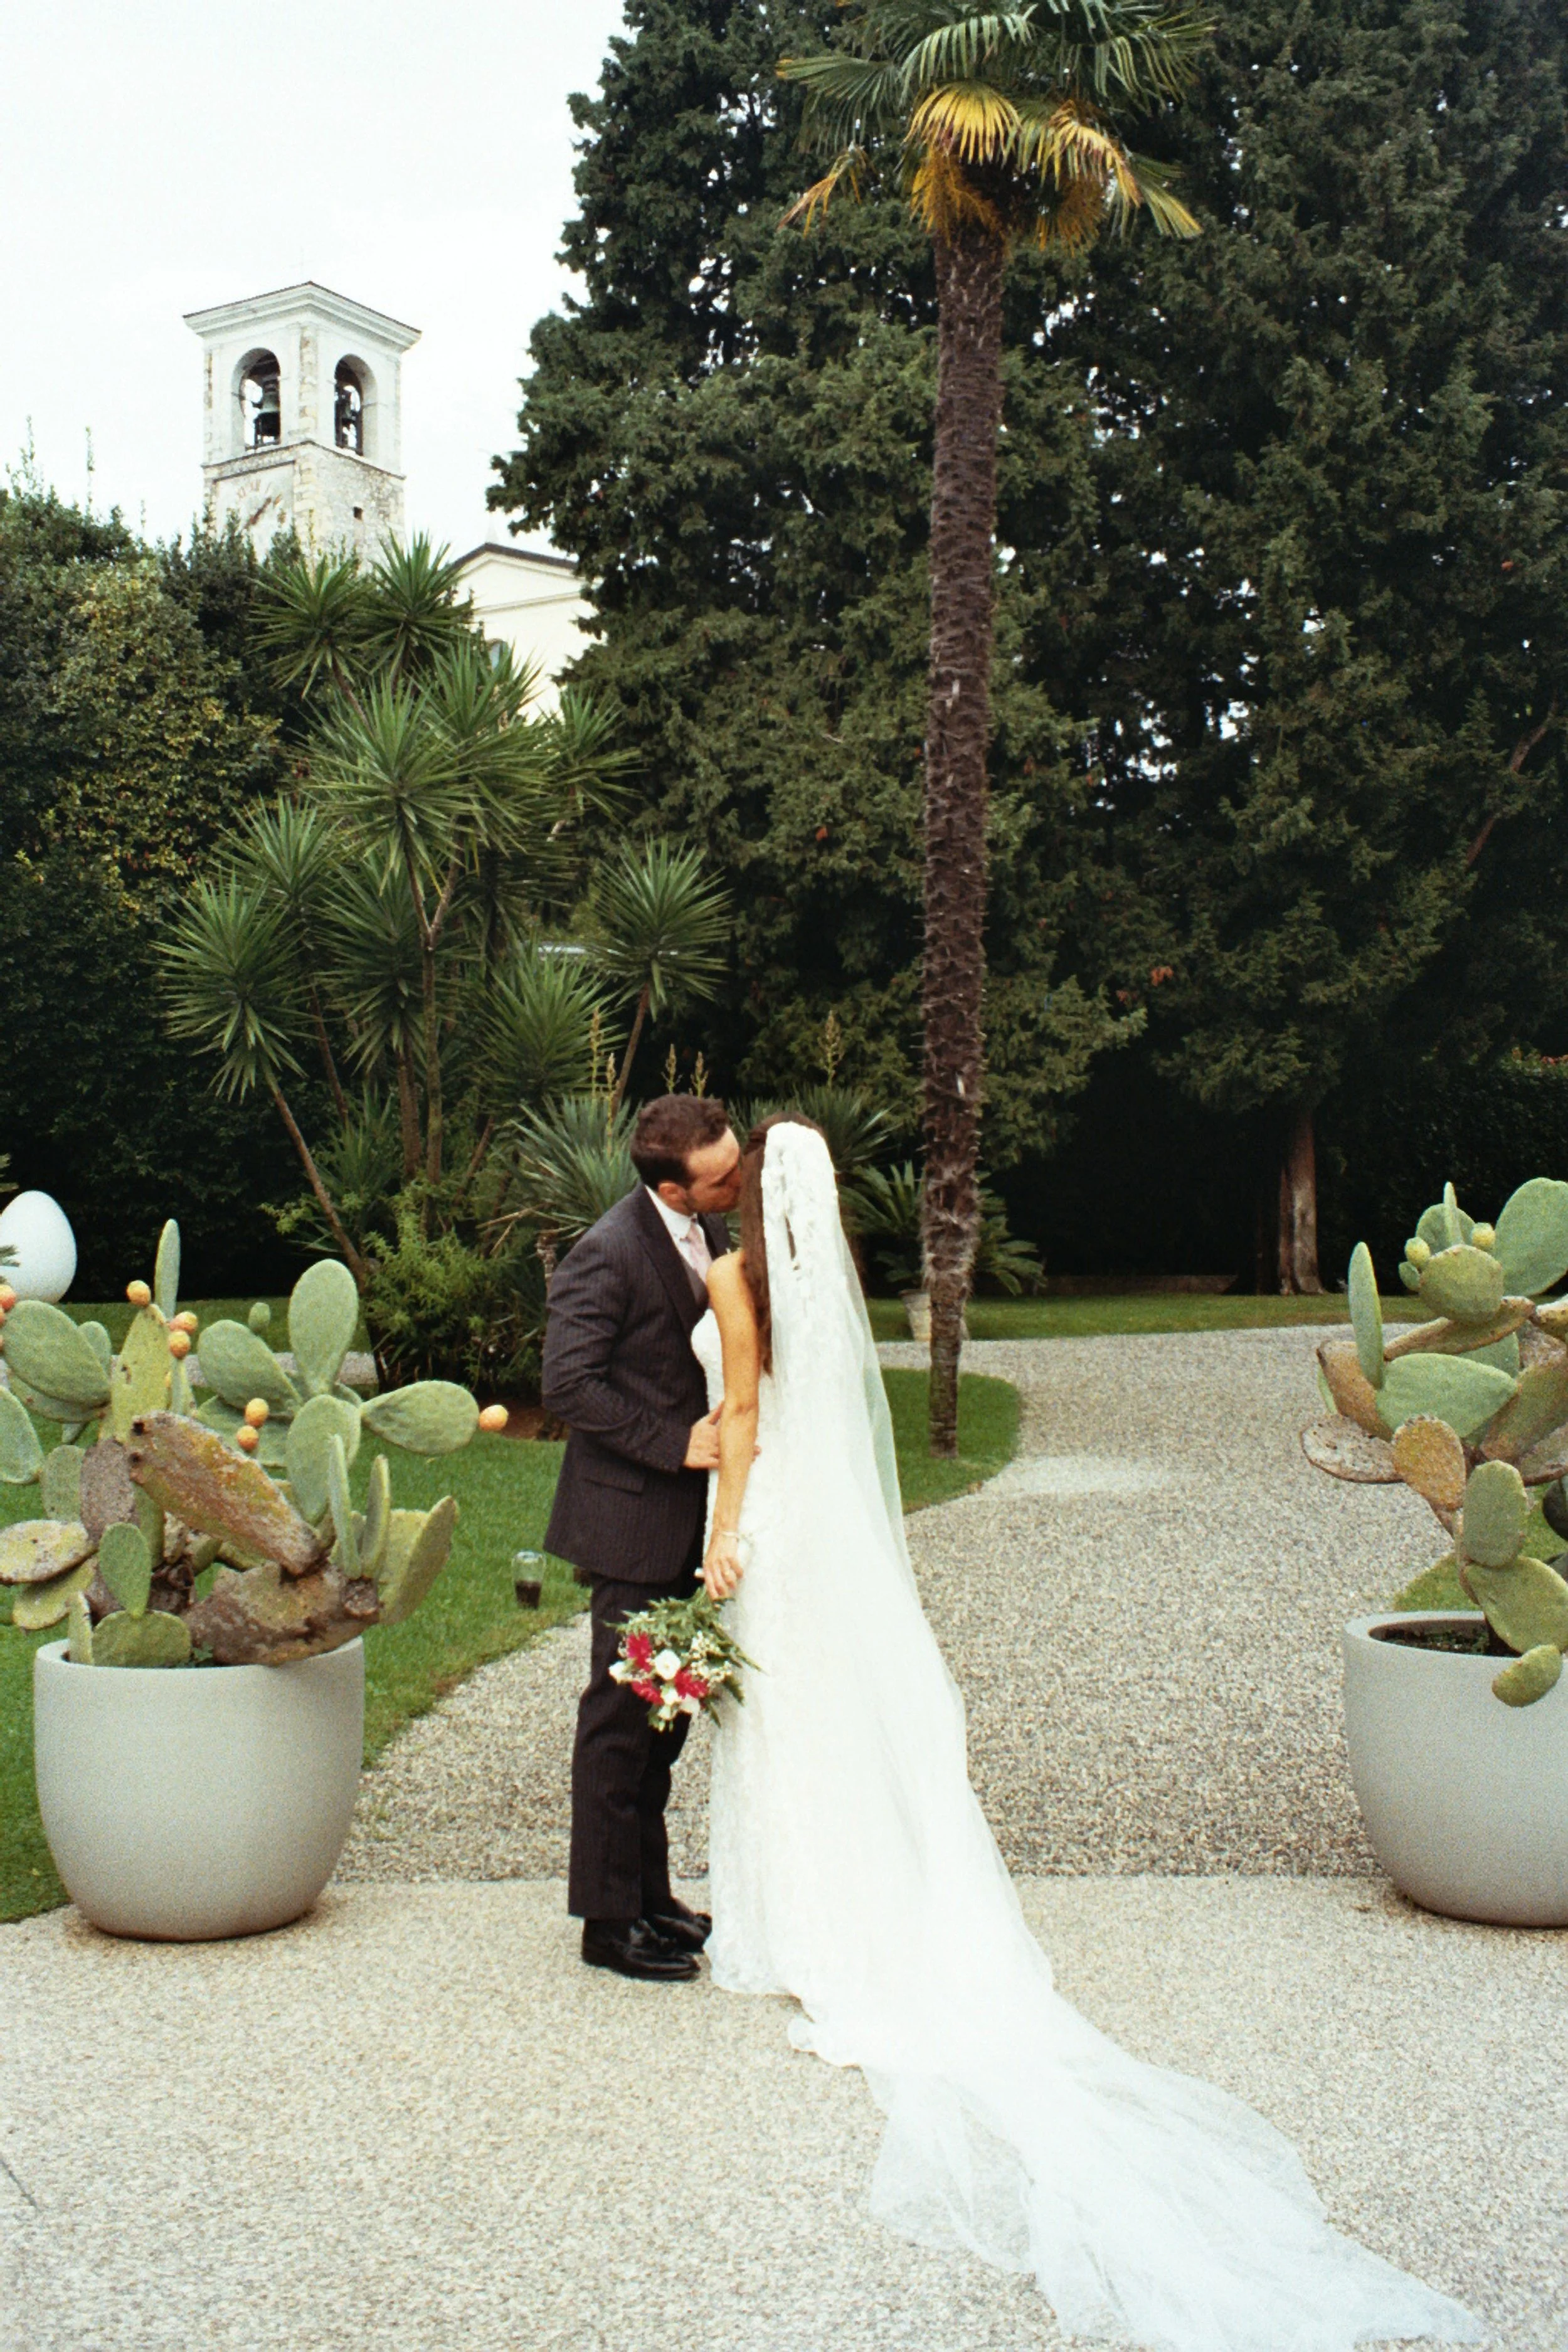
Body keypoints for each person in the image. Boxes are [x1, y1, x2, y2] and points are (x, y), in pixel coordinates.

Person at [690, 1111, 1482, 2352]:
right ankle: (857, 1896)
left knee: (783, 1713)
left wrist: (724, 1532)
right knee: (836, 1710)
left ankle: (795, 1919)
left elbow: (740, 1419)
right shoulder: (821, 1285)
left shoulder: (737, 1283)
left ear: (746, 1200)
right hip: (830, 1531)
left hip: (773, 1522)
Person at [541, 1093, 741, 1983]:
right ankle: (606, 1923)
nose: (736, 1182)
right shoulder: (609, 1251)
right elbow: (570, 1385)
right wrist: (677, 1441)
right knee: (618, 1727)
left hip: (680, 1524)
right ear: (672, 1183)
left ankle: (650, 1893)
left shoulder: (707, 1234)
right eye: (721, 1175)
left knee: (663, 1725)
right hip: (629, 1521)